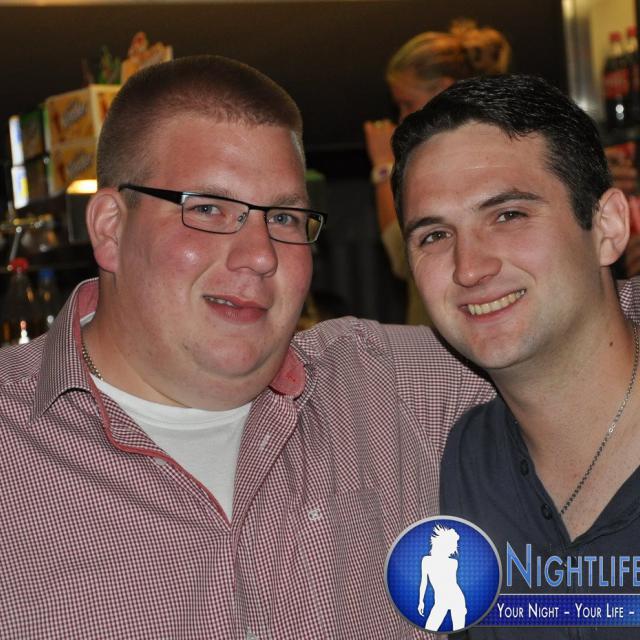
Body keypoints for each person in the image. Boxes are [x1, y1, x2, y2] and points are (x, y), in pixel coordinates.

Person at [0, 54, 503, 639]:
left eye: (284, 218)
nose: (261, 255)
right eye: (209, 209)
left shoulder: (388, 387)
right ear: (111, 228)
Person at [392, 73, 640, 639]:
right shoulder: (460, 462)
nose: (470, 268)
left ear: (607, 227)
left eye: (508, 215)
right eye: (434, 236)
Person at [364, 20, 511, 325]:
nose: (402, 118)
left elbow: (402, 256)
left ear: (444, 90)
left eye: (407, 104)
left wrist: (383, 165)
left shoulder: (459, 162)